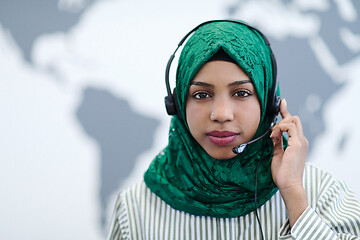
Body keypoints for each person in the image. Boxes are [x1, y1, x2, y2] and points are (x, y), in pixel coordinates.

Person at [107, 20, 360, 239]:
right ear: (177, 103)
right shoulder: (136, 209)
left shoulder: (321, 193)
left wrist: (294, 197)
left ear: (269, 102)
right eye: (202, 94)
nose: (221, 114)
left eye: (241, 93)